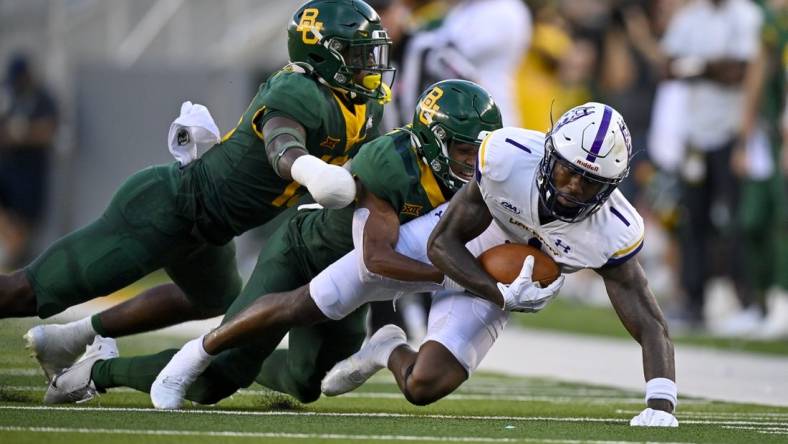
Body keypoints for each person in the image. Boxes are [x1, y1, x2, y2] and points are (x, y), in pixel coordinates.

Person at [41, 79, 503, 407]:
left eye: (479, 149)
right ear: (433, 142)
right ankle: (96, 372)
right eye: (464, 150)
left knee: (309, 383)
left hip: (357, 281)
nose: (473, 162)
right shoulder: (392, 163)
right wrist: (466, 280)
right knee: (217, 379)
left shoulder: (480, 177)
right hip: (306, 254)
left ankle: (369, 347)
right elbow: (375, 256)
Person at [5, 0, 392, 381]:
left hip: (212, 231)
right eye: (359, 55)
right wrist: (310, 170)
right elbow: (281, 146)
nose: (370, 67)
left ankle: (73, 336)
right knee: (30, 291)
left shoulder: (360, 105)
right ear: (326, 55)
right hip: (168, 208)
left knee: (212, 299)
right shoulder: (298, 90)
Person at [324, 103, 679, 427]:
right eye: (567, 171)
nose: (573, 186)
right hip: (467, 244)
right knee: (324, 295)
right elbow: (443, 242)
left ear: (610, 187)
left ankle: (385, 348)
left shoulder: (614, 228)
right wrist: (498, 293)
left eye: (590, 182)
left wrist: (661, 403)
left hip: (505, 277)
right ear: (549, 154)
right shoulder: (510, 155)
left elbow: (650, 321)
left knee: (422, 385)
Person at [0, 53, 58, 269]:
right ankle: (12, 254)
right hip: (7, 169)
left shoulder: (42, 97)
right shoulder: (8, 96)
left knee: (26, 224)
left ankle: (13, 265)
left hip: (31, 174)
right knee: (12, 224)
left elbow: (49, 129)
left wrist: (21, 134)